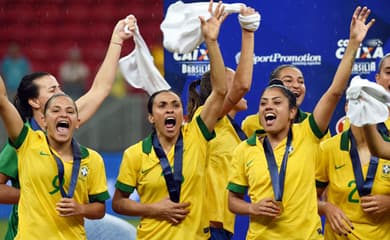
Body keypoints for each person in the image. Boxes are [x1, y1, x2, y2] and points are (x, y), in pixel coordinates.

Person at [227, 6, 374, 239]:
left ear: (292, 112)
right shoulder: (244, 149)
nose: (268, 107)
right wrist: (251, 208)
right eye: (264, 103)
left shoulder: (307, 133)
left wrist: (354, 43)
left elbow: (335, 92)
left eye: (276, 102)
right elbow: (233, 201)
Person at [0, 15, 137, 240]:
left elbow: (100, 89)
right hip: (26, 231)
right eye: (52, 90)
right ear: (35, 102)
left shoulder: (67, 117)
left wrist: (117, 40)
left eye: (60, 88)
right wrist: (33, 193)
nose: (61, 94)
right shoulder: (23, 141)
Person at [112, 1, 228, 239]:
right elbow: (119, 203)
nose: (170, 110)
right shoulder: (135, 154)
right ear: (151, 117)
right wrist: (152, 209)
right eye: (162, 106)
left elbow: (220, 92)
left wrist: (212, 42)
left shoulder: (196, 134)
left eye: (175, 105)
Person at [0, 74, 109, 239]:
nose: (63, 115)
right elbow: (2, 100)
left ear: (77, 121)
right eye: (55, 110)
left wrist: (81, 209)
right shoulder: (28, 144)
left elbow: (99, 209)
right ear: (44, 120)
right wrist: (28, 195)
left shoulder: (93, 159)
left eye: (70, 111)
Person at [186, 5, 258, 239]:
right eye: (230, 77)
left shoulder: (239, 130)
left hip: (224, 228)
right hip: (205, 227)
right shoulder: (209, 122)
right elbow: (242, 85)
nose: (236, 80)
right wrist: (248, 31)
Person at [316, 110, 390, 239]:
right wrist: (326, 208)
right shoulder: (329, 148)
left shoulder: (387, 147)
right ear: (347, 107)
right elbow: (307, 199)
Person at [241, 64, 307, 137]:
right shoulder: (251, 124)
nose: (296, 85)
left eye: (301, 82)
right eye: (288, 80)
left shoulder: (310, 122)